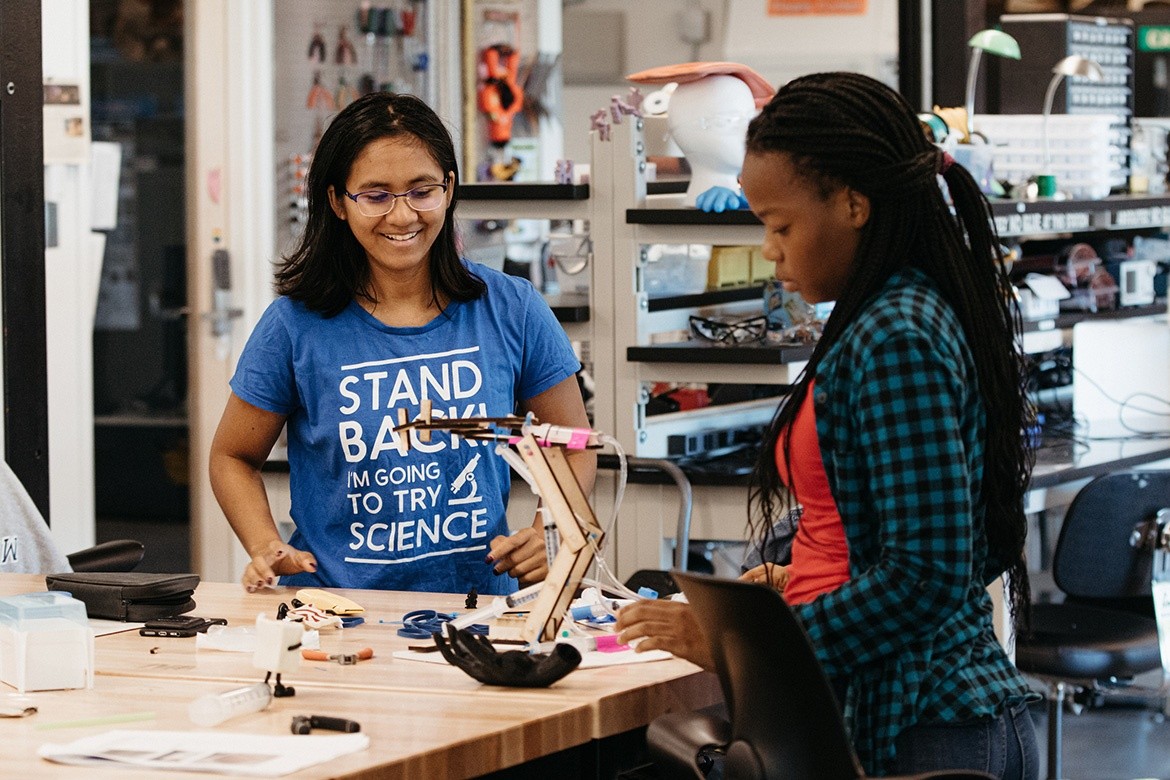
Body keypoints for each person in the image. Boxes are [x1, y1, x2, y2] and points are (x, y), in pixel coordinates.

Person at [616, 72, 1038, 779]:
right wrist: (803, 579)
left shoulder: (896, 334)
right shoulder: (880, 317)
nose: (772, 251)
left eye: (780, 226)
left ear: (853, 204)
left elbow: (929, 575)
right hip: (909, 713)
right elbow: (897, 535)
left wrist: (742, 645)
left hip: (928, 724)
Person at [210, 91, 595, 596]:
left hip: (479, 611)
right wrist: (265, 545)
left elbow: (573, 446)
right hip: (338, 616)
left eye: (421, 191)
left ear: (449, 189)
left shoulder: (512, 307)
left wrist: (551, 530)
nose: (402, 215)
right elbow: (232, 456)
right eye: (375, 195)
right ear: (337, 202)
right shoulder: (293, 325)